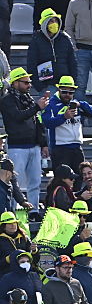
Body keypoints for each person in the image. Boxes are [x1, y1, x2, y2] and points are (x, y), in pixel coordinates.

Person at [0, 68, 49, 208]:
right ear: (15, 83)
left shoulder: (28, 98)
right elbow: (17, 117)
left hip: (34, 146)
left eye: (29, 82)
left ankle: (33, 211)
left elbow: (38, 121)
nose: (29, 85)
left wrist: (43, 143)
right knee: (17, 183)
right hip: (17, 147)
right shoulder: (6, 100)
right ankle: (15, 211)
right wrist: (37, 107)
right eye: (26, 82)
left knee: (35, 182)